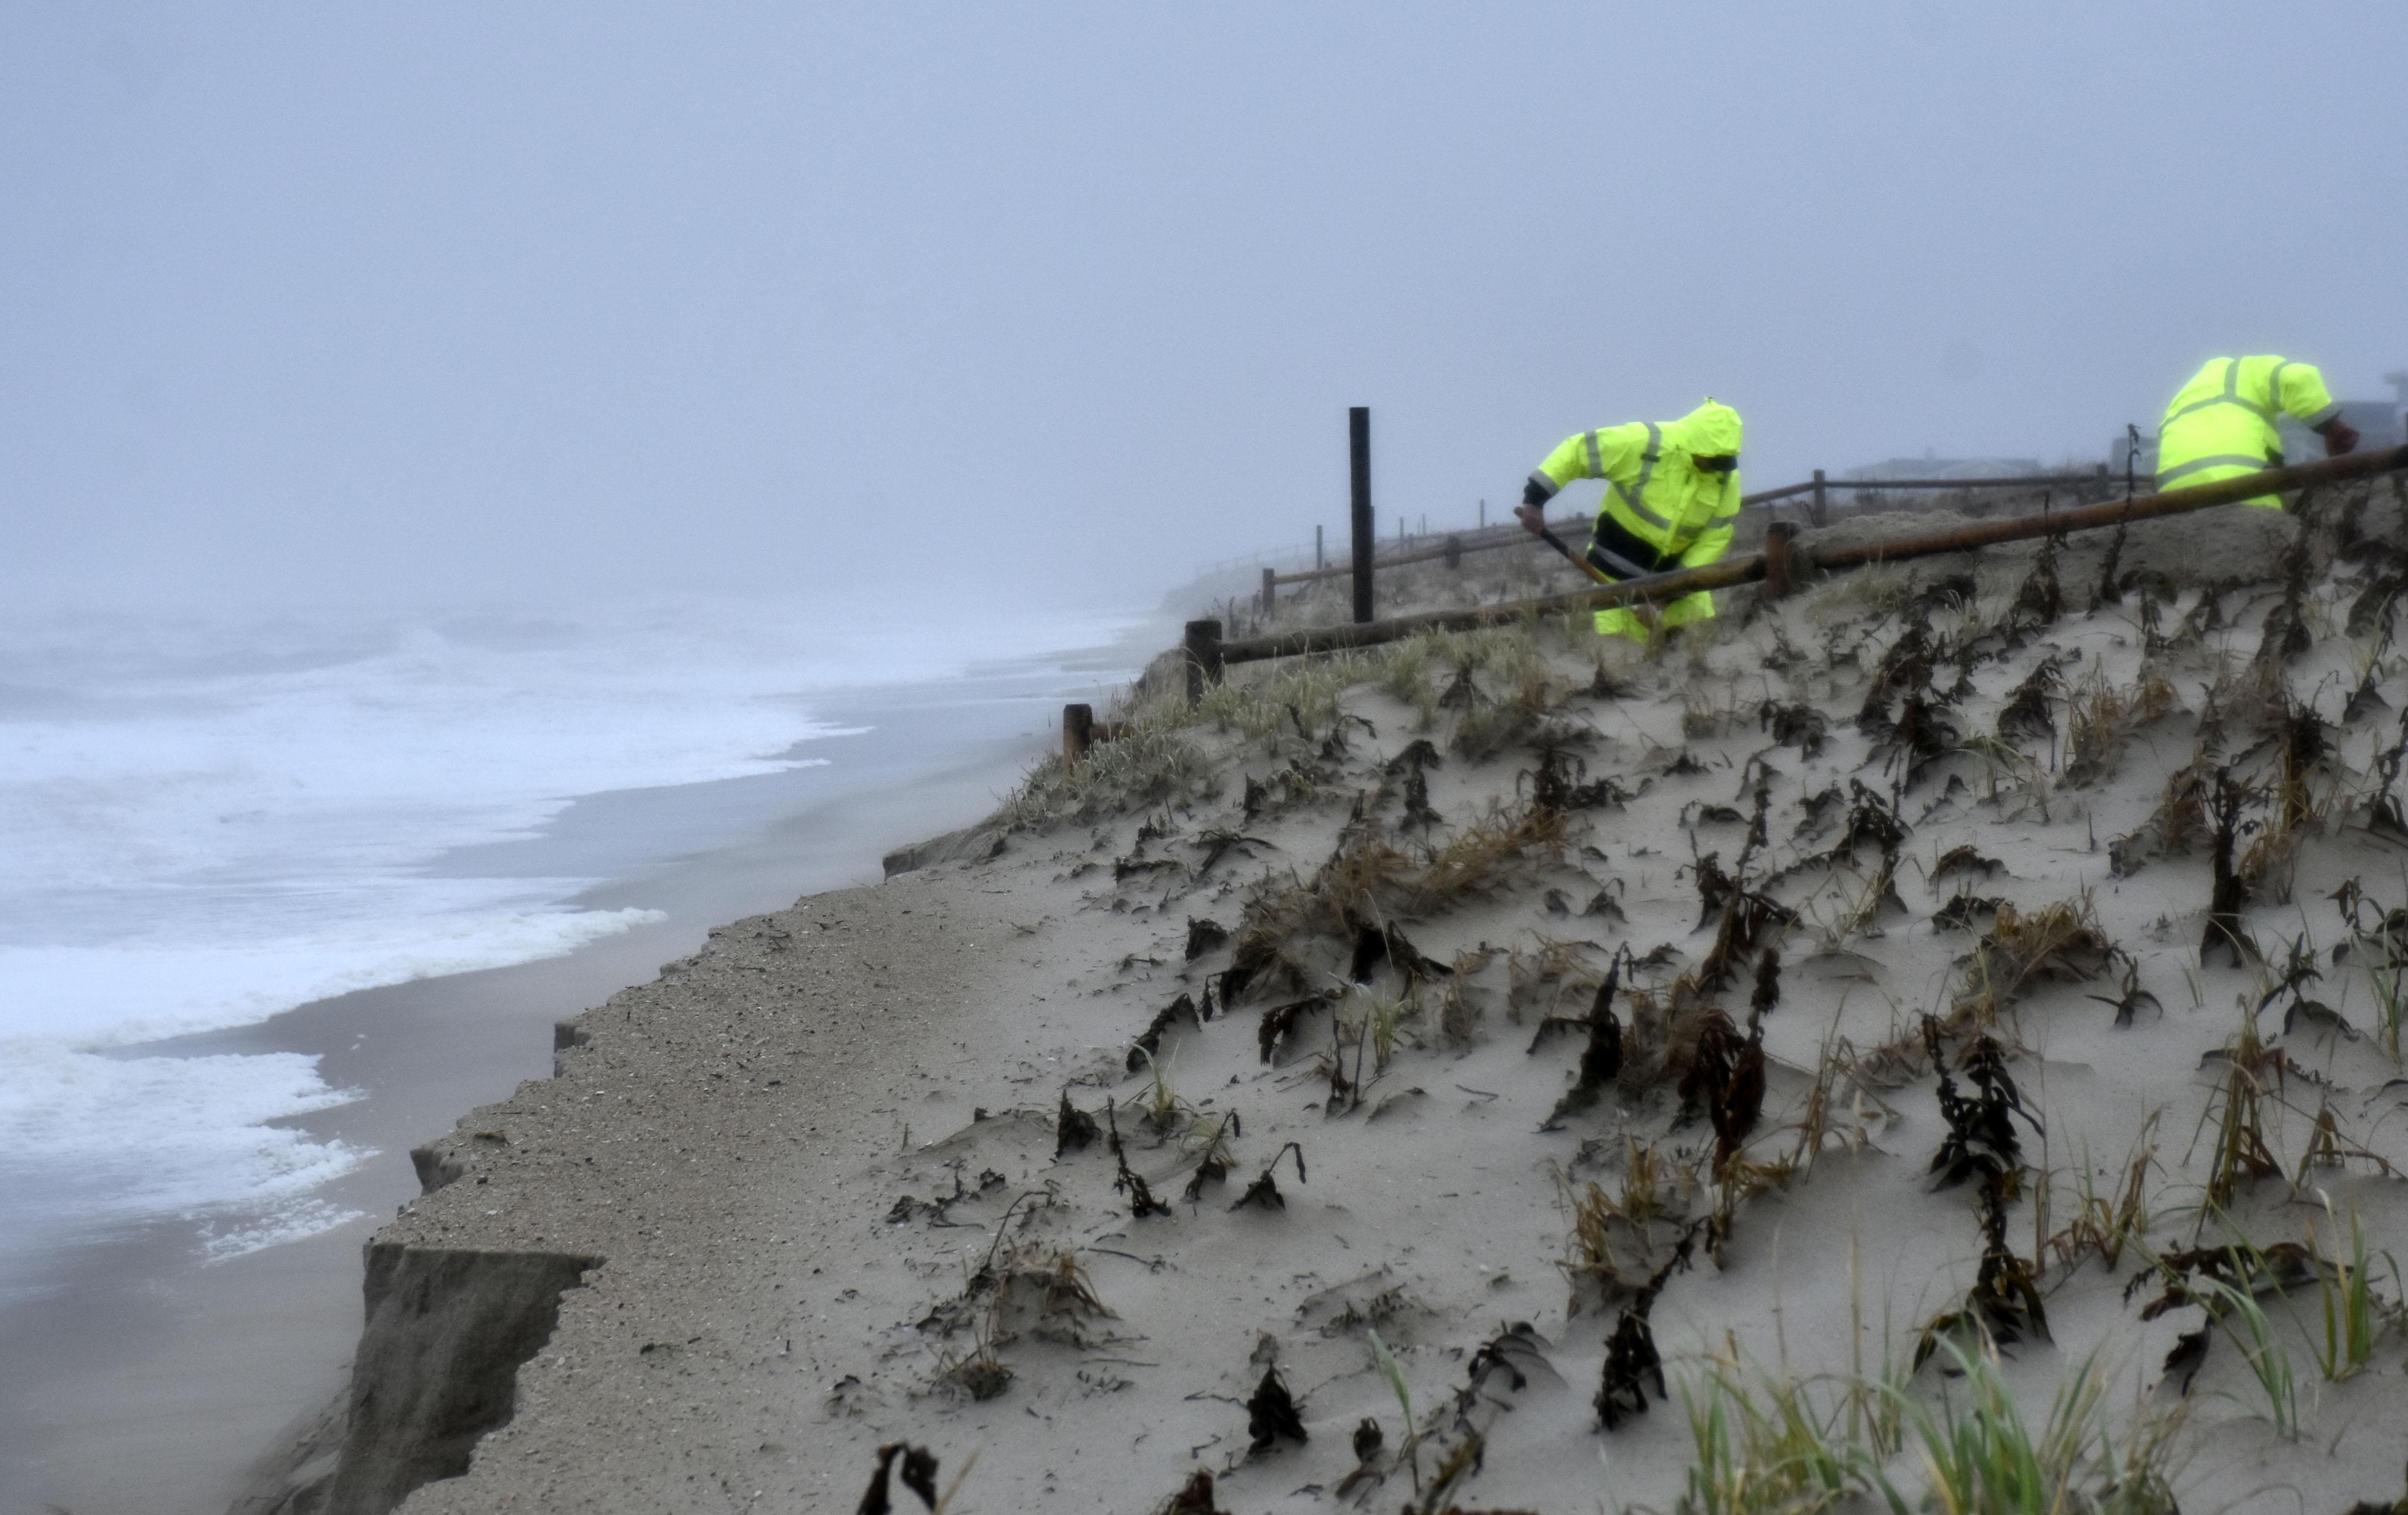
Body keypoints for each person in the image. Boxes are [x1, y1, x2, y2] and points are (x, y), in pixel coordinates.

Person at [1514, 399, 1743, 642]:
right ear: (1691, 446)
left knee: (1696, 659)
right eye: (1709, 460)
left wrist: (1667, 596)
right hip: (1614, 583)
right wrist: (1536, 499)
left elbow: (1714, 539)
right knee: (1618, 663)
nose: (1715, 467)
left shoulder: (1726, 479)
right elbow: (1578, 452)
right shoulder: (1645, 444)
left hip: (1679, 592)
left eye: (1722, 461)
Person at [2156, 355, 2359, 507]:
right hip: (2247, 494)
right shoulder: (2245, 372)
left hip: (2176, 504)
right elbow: (2298, 377)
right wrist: (2330, 426)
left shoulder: (2180, 402)